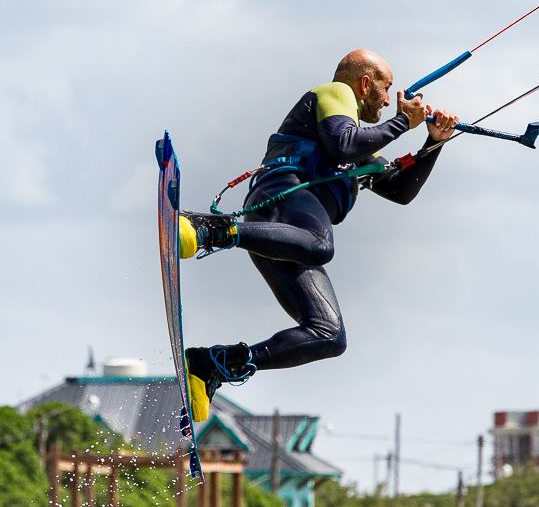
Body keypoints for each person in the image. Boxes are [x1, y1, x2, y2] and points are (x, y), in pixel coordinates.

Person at [177, 49, 459, 421]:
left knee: (329, 335)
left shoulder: (366, 141)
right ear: (364, 83)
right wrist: (402, 124)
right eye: (386, 88)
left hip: (283, 235)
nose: (389, 99)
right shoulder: (335, 93)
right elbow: (343, 142)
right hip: (282, 199)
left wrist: (433, 141)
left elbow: (400, 191)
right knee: (321, 245)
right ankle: (208, 229)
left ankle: (213, 363)